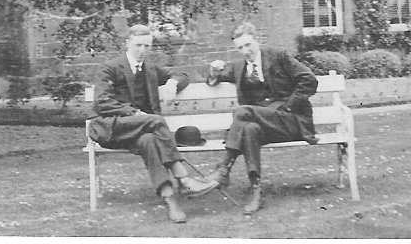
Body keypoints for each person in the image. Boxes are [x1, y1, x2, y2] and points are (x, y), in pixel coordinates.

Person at [88, 24, 218, 223]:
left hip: (141, 132)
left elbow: (182, 75)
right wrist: (134, 112)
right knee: (156, 120)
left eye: (147, 46)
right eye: (138, 45)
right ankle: (183, 179)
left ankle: (170, 200)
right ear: (127, 44)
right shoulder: (110, 68)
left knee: (149, 140)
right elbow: (102, 101)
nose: (142, 50)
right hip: (114, 129)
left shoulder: (150, 69)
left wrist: (173, 83)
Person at [205, 22, 318, 215]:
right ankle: (256, 191)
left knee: (241, 112)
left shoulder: (279, 56)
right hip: (265, 127)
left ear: (257, 40)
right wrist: (213, 72)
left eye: (248, 45)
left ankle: (224, 167)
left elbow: (309, 80)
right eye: (240, 48)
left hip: (290, 121)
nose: (245, 51)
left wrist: (289, 105)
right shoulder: (239, 67)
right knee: (249, 129)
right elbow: (214, 79)